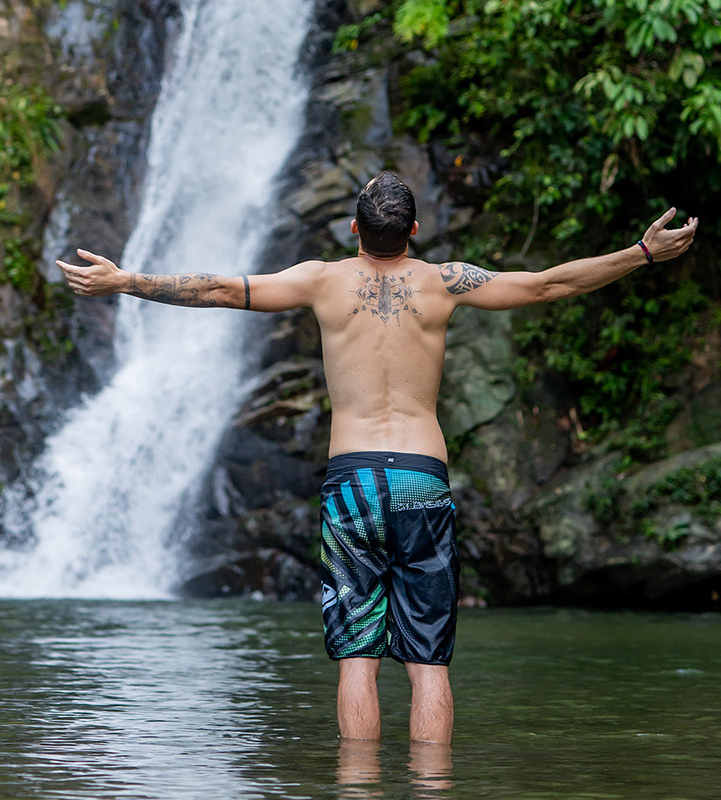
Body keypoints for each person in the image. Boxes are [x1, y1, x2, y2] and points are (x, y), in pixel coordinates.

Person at [56, 172, 698, 744]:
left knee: (357, 661)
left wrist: (125, 281)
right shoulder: (444, 282)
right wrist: (641, 253)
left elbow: (222, 289)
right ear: (415, 231)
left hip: (353, 483)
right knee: (428, 665)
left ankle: (358, 788)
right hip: (422, 480)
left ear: (353, 229)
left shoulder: (321, 280)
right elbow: (547, 284)